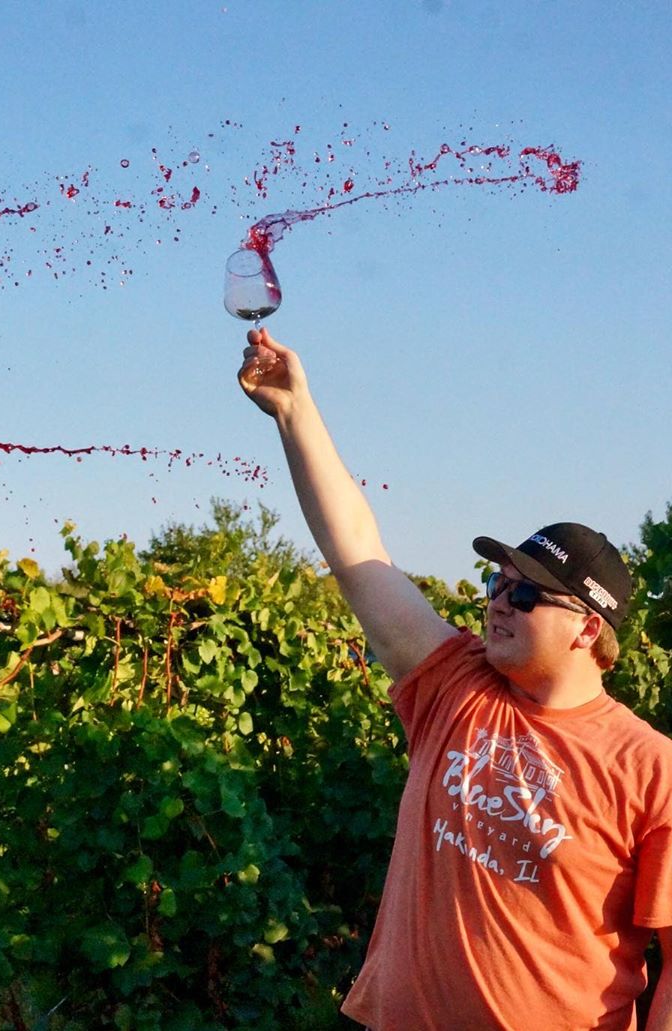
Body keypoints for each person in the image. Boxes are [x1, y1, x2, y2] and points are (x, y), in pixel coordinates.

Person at [238, 327, 672, 1030]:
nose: (498, 602)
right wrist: (294, 411)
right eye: (498, 584)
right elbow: (358, 555)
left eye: (524, 594)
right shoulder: (454, 685)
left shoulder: (651, 770)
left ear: (589, 629)